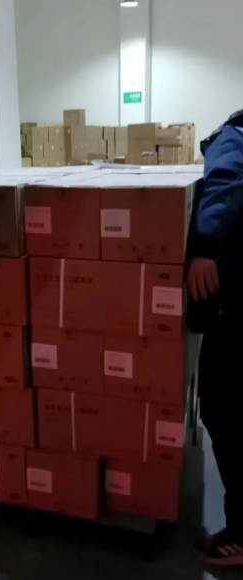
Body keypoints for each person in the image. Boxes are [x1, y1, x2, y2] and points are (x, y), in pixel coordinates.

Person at [187, 111, 243, 566]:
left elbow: (225, 181)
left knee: (224, 409)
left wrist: (204, 247)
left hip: (236, 310)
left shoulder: (235, 134)